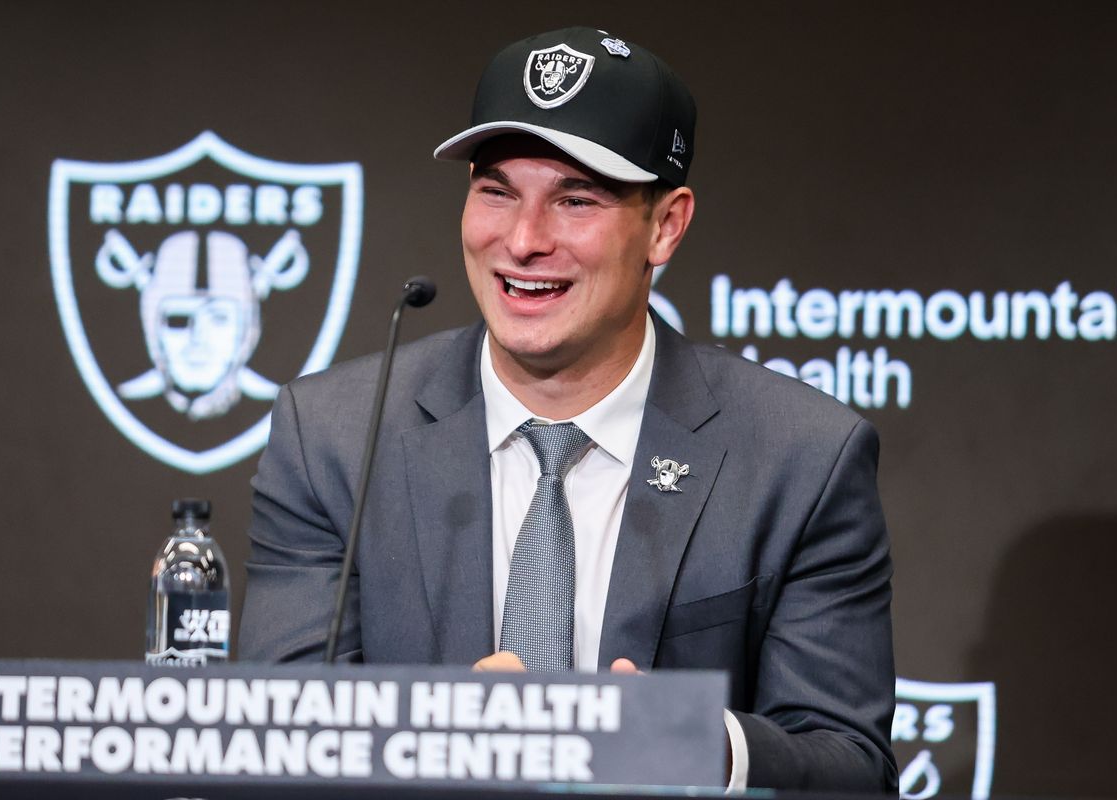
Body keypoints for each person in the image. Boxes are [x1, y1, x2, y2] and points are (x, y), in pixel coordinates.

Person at [240, 26, 897, 792]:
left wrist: (695, 740)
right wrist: (432, 739)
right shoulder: (334, 438)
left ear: (666, 225)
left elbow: (852, 769)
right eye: (496, 192)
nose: (522, 240)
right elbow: (273, 745)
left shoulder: (801, 457)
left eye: (576, 199)